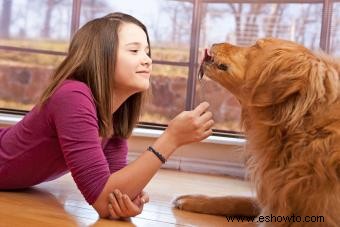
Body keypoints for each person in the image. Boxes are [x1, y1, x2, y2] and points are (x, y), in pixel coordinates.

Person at [0, 12, 214, 219]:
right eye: (134, 51)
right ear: (101, 57)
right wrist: (171, 139)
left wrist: (128, 201)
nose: (147, 60)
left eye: (147, 52)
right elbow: (102, 198)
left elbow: (113, 194)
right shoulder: (72, 96)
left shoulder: (115, 113)